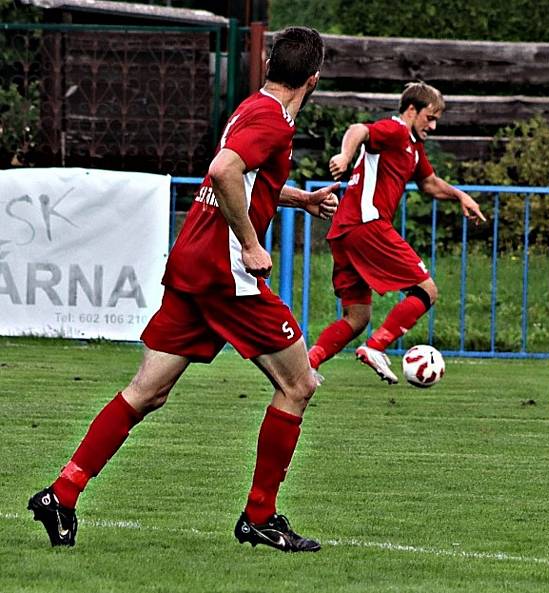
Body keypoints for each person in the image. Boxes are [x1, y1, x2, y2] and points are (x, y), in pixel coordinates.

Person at [27, 26, 340, 552]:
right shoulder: (274, 123)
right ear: (314, 78)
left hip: (193, 261)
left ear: (268, 68)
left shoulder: (251, 108)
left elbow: (243, 178)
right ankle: (259, 516)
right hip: (225, 275)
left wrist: (301, 199)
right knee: (299, 384)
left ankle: (63, 492)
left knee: (148, 391)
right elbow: (223, 170)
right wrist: (250, 244)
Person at [306, 82, 486, 384]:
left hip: (346, 231)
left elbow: (429, 184)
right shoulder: (396, 130)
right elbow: (358, 130)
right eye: (430, 117)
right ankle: (376, 347)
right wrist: (344, 156)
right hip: (368, 224)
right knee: (426, 290)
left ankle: (307, 365)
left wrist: (459, 196)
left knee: (357, 317)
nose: (434, 125)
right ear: (411, 110)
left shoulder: (414, 147)